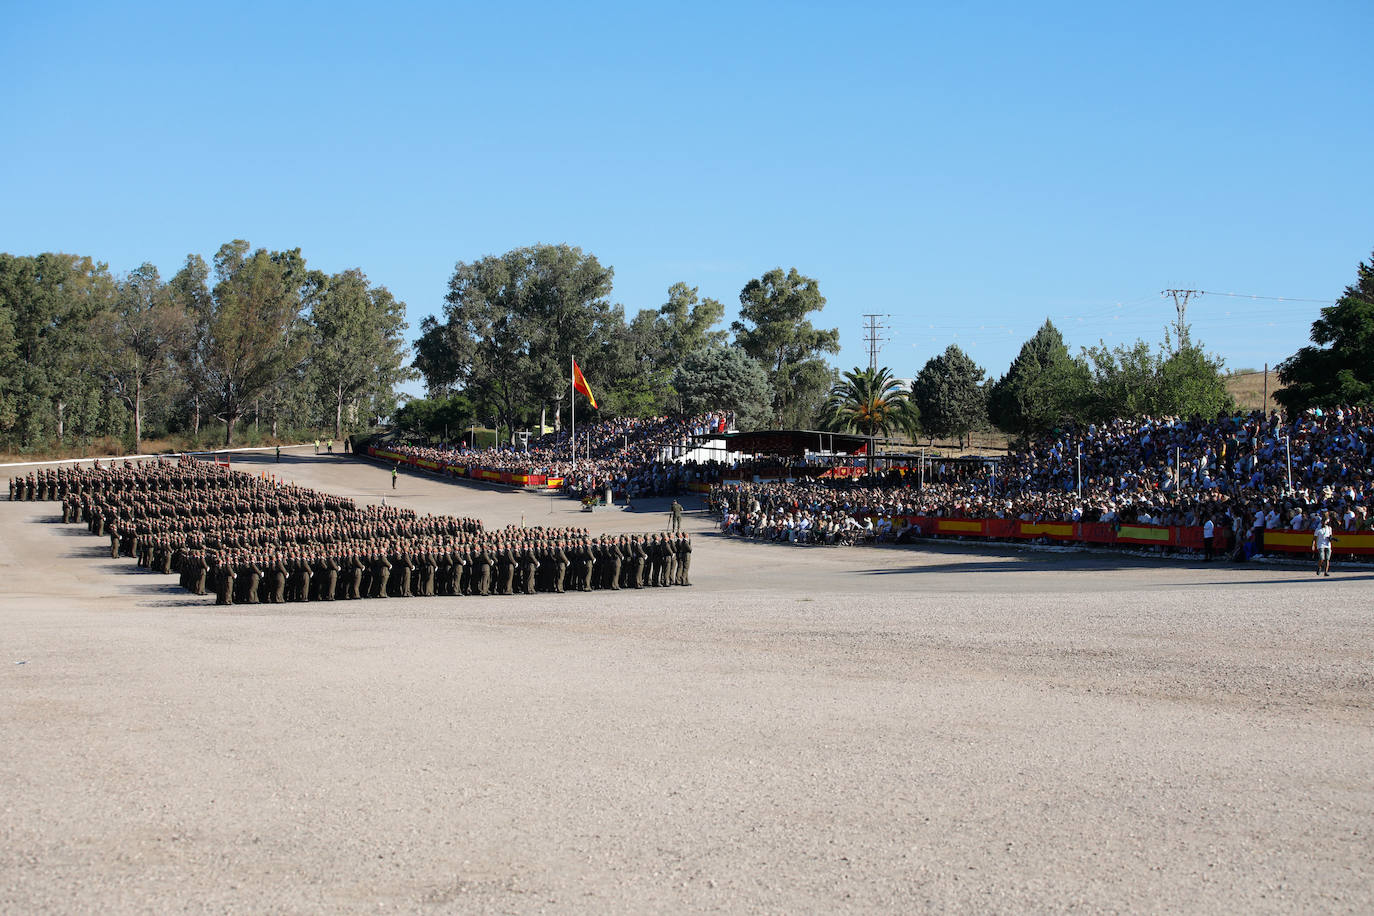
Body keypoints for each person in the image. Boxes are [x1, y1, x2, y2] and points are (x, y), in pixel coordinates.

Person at [1312, 513, 1336, 577]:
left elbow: (1330, 536)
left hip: (1328, 544)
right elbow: (1314, 538)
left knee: (1327, 559)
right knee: (1322, 558)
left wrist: (1331, 538)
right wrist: (1313, 545)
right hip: (1320, 544)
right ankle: (1319, 567)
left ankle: (1326, 571)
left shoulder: (1329, 528)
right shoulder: (1318, 529)